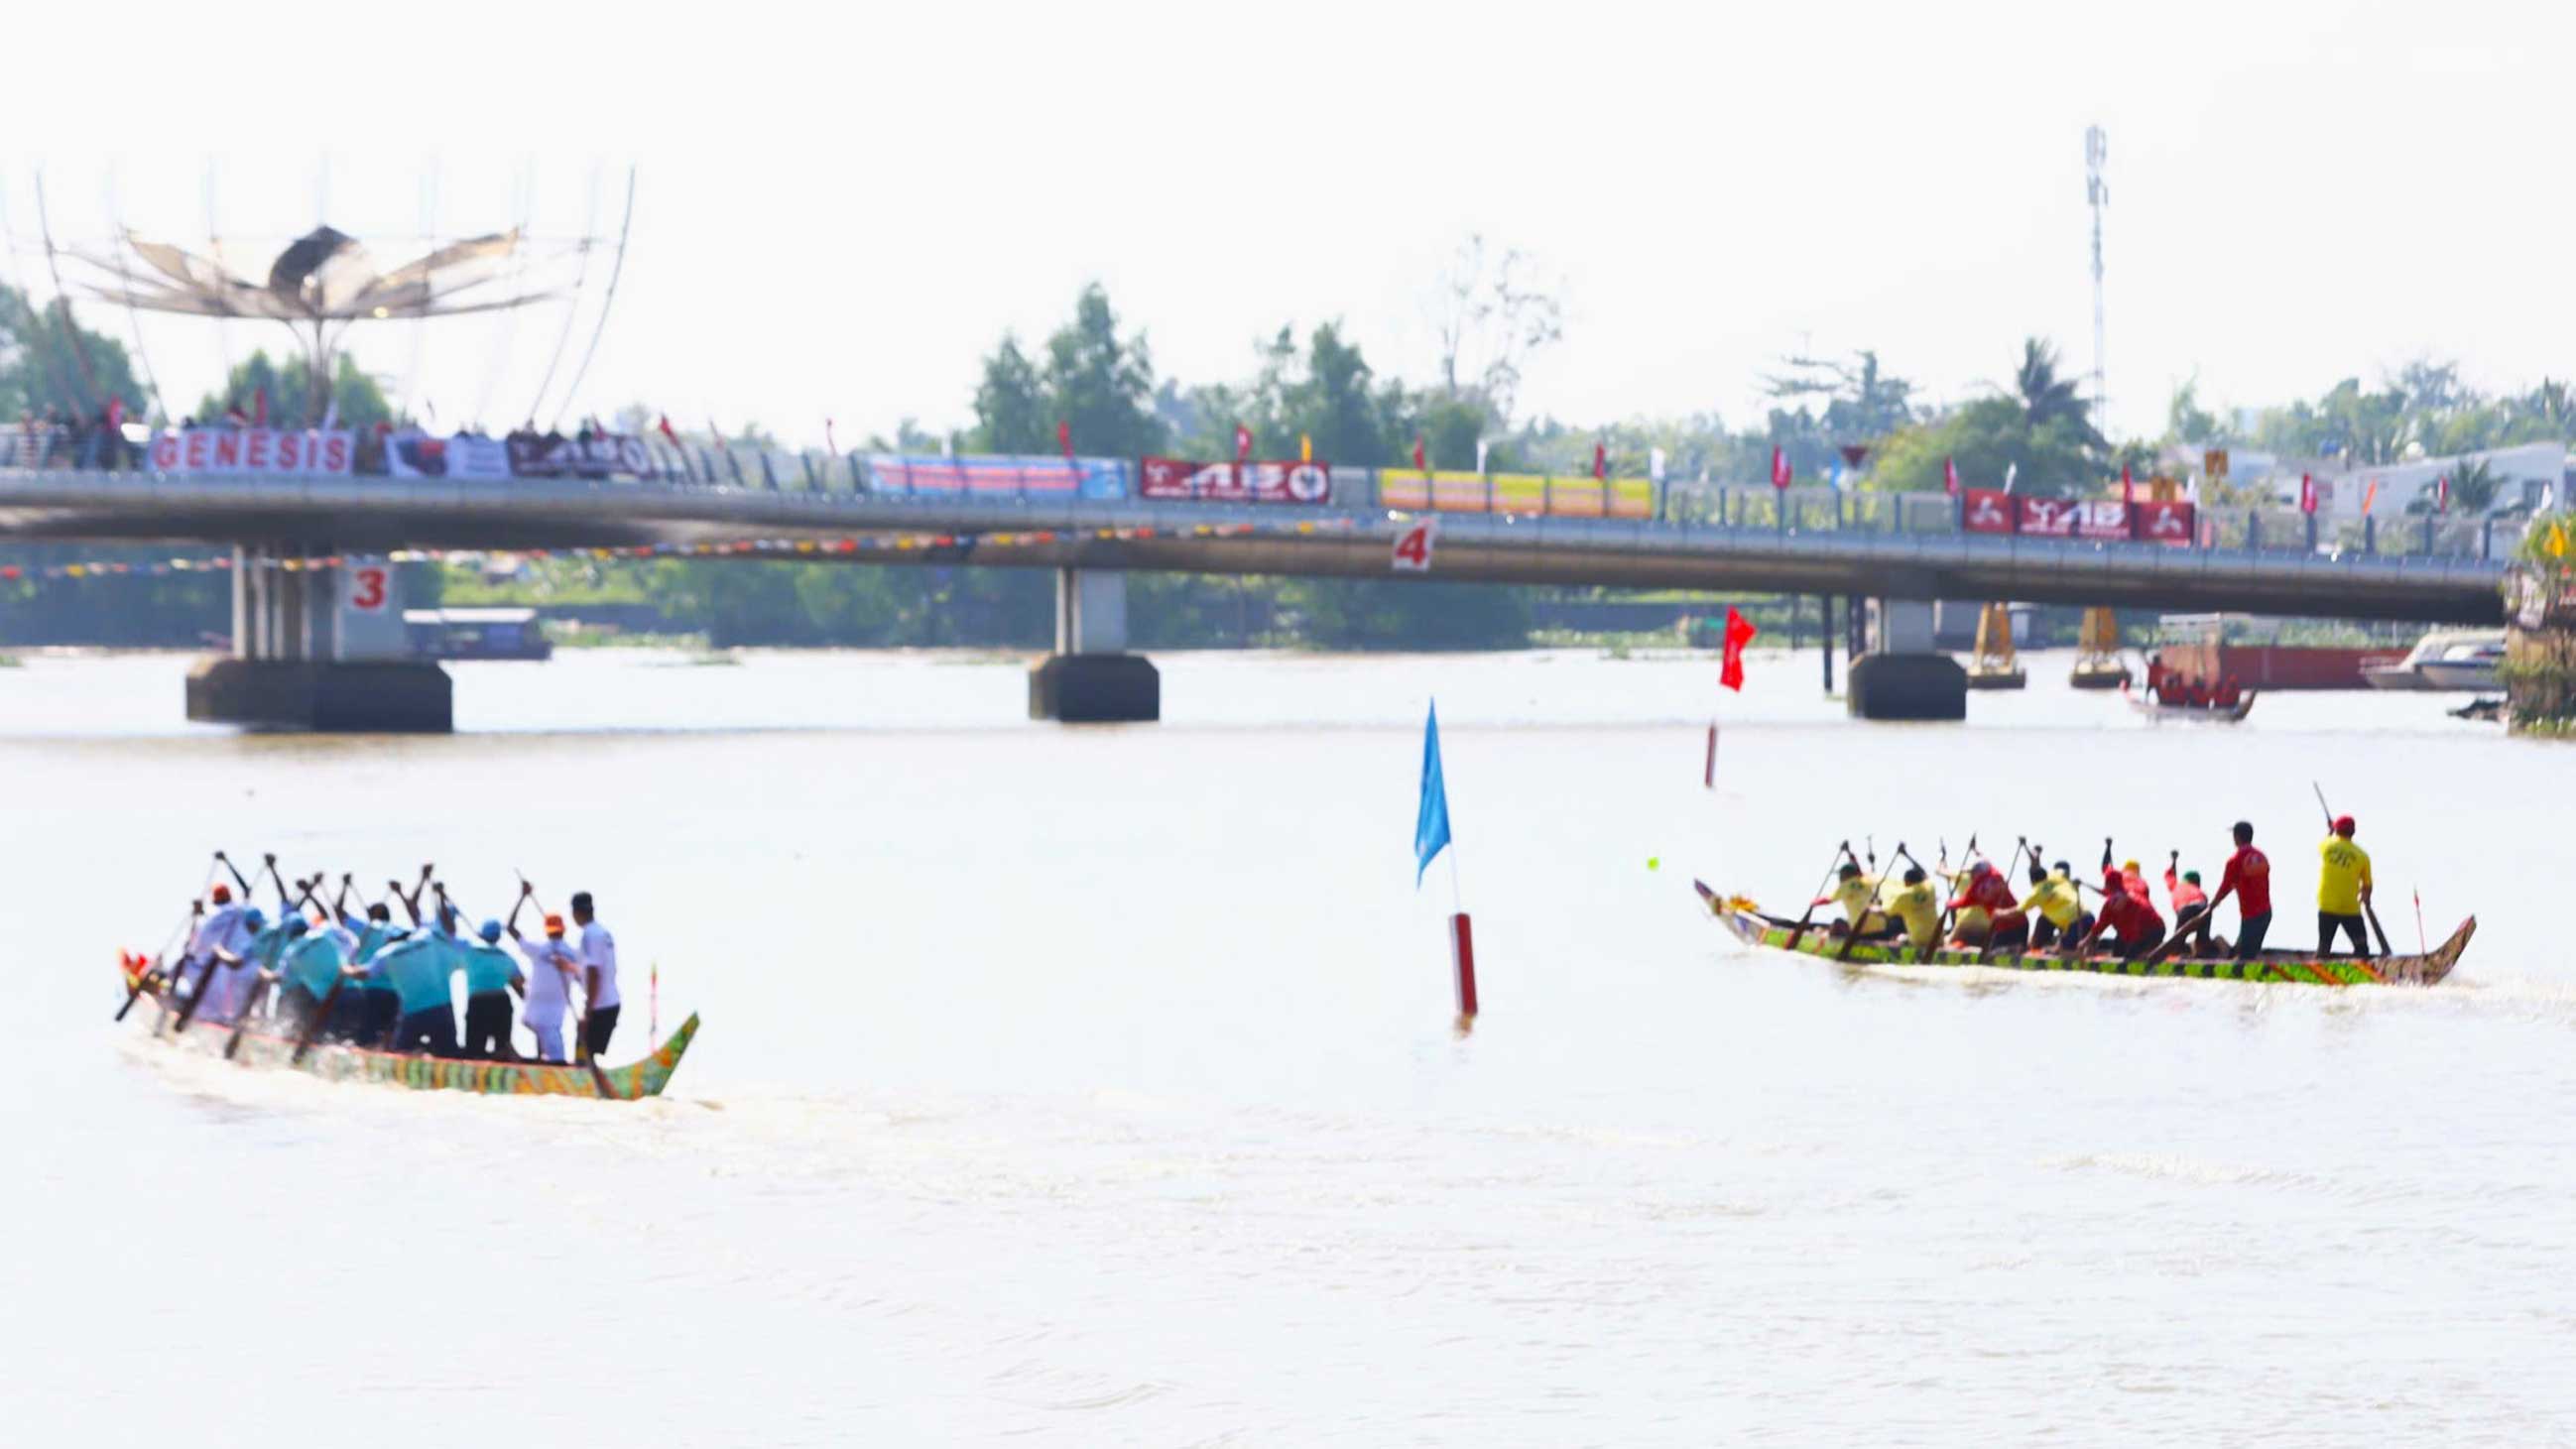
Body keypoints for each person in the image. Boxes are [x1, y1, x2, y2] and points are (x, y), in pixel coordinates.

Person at [508, 890, 581, 1063]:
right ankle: (546, 1064)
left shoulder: (539, 949)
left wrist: (522, 896)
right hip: (553, 1012)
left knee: (544, 1039)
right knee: (553, 1048)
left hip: (537, 1009)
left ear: (547, 931)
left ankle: (543, 1064)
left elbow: (510, 928)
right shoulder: (574, 953)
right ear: (563, 930)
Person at [370, 924, 460, 1058]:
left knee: (400, 1055)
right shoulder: (425, 940)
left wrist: (345, 969)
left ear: (389, 940)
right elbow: (427, 923)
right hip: (440, 1010)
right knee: (450, 1057)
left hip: (413, 1013)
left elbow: (365, 973)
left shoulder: (386, 952)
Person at [2205, 821, 2274, 960]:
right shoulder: (2261, 856)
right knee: (2247, 952)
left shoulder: (2235, 860)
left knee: (2244, 959)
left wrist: (2211, 906)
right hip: (2266, 913)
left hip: (2251, 917)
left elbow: (2225, 887)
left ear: (2237, 837)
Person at [456, 920, 524, 1061]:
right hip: (501, 1002)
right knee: (502, 1049)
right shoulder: (507, 957)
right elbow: (519, 982)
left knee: (474, 1051)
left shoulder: (469, 952)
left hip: (478, 1003)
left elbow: (450, 937)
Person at [275, 917, 350, 1036]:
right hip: (344, 991)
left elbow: (280, 976)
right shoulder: (324, 936)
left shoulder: (291, 950)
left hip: (315, 996)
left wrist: (263, 974)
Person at [570, 891, 623, 1061]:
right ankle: (589, 1076)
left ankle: (584, 1081)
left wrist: (588, 1011)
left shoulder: (589, 935)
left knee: (582, 1054)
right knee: (587, 1053)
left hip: (600, 1007)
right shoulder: (602, 932)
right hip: (610, 1002)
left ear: (576, 913)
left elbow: (594, 974)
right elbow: (590, 972)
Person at [2318, 814, 2375, 957]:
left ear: (2337, 830)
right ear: (2353, 832)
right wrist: (2366, 901)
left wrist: (2331, 830)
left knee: (2324, 946)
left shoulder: (2327, 846)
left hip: (2326, 904)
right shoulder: (2362, 855)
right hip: (2349, 907)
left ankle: (2321, 962)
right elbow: (2367, 886)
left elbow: (2327, 839)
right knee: (2362, 948)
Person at [2075, 870, 2165, 959]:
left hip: (2153, 930)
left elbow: (2135, 935)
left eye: (2118, 897)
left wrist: (2134, 954)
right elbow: (2099, 926)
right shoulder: (2109, 905)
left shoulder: (2138, 905)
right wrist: (2084, 942)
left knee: (2131, 957)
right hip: (2127, 933)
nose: (2115, 903)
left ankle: (2149, 956)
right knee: (2117, 954)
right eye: (2112, 897)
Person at [1947, 861, 2026, 950]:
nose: (1971, 876)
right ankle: (2015, 949)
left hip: (2010, 924)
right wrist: (1950, 904)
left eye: (1972, 873)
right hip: (2015, 924)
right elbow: (1963, 902)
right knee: (1996, 952)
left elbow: (1963, 902)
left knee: (1993, 954)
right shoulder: (1995, 875)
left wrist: (1949, 904)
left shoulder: (1976, 889)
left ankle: (2014, 949)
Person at [1813, 863, 1895, 939]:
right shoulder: (1866, 881)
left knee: (1837, 922)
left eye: (1840, 875)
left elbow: (1828, 900)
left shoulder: (1845, 885)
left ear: (1845, 875)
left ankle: (1826, 939)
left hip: (1860, 932)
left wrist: (1813, 902)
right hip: (1881, 931)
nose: (1840, 878)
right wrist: (1850, 854)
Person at [2023, 860, 2086, 949]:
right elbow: (2036, 872)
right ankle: (2035, 945)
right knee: (2042, 919)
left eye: (2066, 872)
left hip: (2066, 917)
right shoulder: (2050, 881)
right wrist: (2036, 856)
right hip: (2050, 916)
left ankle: (2061, 944)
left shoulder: (2070, 884)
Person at [2164, 851, 2218, 957]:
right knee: (2202, 942)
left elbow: (2170, 875)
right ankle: (2202, 950)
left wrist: (2174, 860)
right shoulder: (2200, 892)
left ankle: (2179, 951)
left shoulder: (2177, 886)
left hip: (2186, 910)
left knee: (2176, 945)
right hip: (2204, 908)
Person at [1885, 867, 1943, 952]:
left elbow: (1887, 913)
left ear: (1906, 882)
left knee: (1898, 935)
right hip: (1938, 939)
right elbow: (1925, 875)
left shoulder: (1904, 896)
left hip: (1918, 941)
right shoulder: (1931, 888)